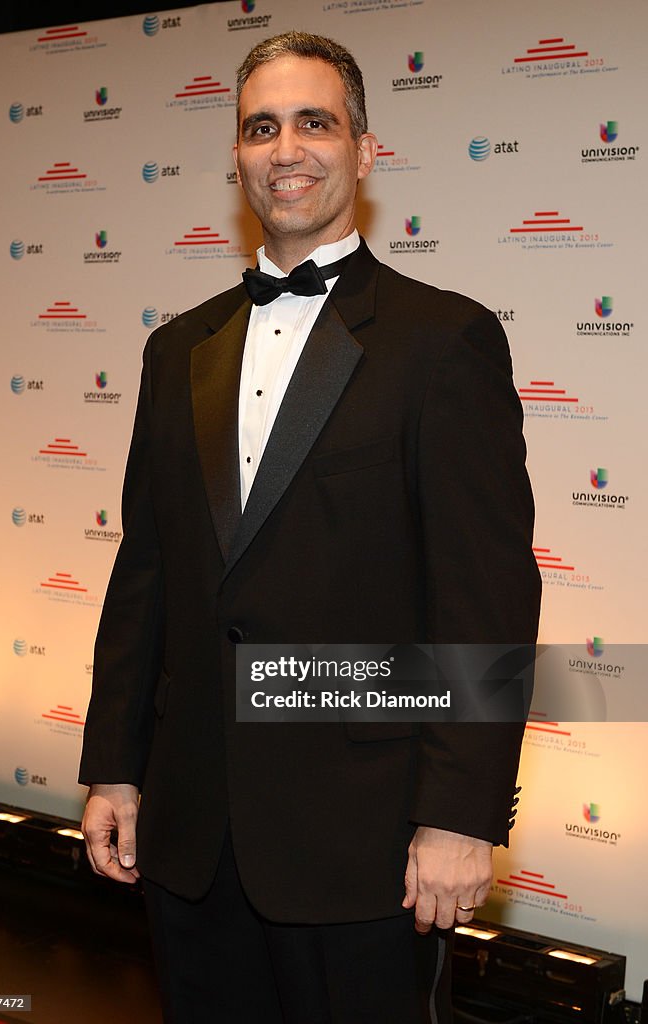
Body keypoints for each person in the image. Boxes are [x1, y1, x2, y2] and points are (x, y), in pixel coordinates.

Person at [79, 31, 541, 1023]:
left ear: (365, 150)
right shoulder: (177, 349)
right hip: (191, 835)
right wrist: (115, 766)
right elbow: (146, 575)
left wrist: (458, 816)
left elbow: (486, 592)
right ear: (237, 156)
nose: (285, 148)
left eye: (314, 122)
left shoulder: (442, 341)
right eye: (261, 127)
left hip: (366, 848)